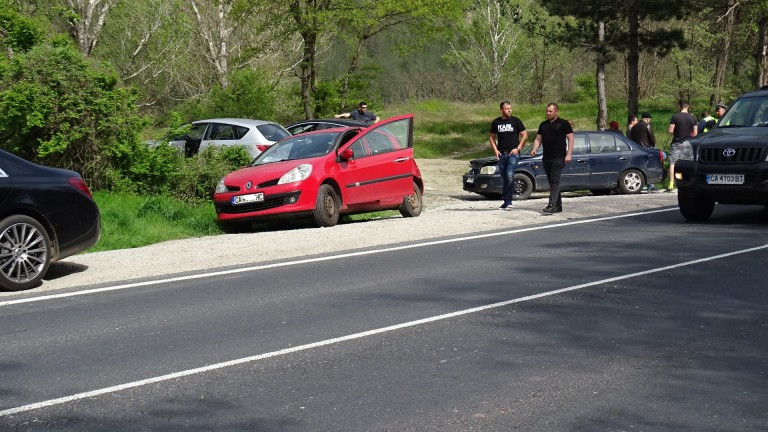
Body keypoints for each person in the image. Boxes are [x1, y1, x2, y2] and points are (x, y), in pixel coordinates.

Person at [531, 103, 574, 214]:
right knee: (552, 182)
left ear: (556, 111)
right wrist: (534, 149)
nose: (548, 113)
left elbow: (571, 139)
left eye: (550, 111)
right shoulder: (543, 125)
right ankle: (558, 205)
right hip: (546, 157)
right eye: (547, 111)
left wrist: (569, 154)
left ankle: (551, 205)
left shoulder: (563, 123)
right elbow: (538, 139)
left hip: (559, 157)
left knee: (555, 180)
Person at [489, 100, 528, 210]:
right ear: (501, 110)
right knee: (504, 178)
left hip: (513, 154)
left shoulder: (516, 121)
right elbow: (492, 137)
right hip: (502, 154)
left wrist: (518, 148)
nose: (509, 110)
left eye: (510, 108)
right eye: (506, 108)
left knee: (510, 176)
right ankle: (506, 201)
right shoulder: (496, 122)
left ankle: (509, 201)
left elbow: (525, 135)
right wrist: (495, 150)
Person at [667, 100, 698, 191]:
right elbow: (695, 133)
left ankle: (671, 184)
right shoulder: (693, 118)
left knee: (673, 163)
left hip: (676, 142)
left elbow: (670, 131)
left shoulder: (676, 116)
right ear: (688, 107)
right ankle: (686, 182)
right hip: (688, 144)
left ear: (680, 107)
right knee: (687, 163)